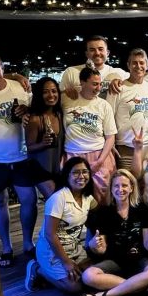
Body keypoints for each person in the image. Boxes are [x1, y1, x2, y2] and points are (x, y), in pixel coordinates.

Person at [0, 54, 53, 268]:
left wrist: (27, 110)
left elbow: (38, 109)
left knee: (29, 199)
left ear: (2, 67)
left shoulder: (20, 88)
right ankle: (6, 247)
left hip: (22, 156)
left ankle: (28, 243)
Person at [77, 169, 148, 296]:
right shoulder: (103, 213)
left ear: (131, 188)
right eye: (116, 186)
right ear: (111, 189)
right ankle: (140, 289)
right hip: (115, 261)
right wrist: (93, 245)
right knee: (88, 276)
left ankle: (104, 295)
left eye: (124, 185)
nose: (120, 189)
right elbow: (102, 250)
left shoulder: (142, 210)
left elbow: (147, 246)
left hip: (139, 259)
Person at [25, 157, 96, 293]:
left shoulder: (87, 197)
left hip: (74, 247)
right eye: (76, 172)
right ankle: (37, 269)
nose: (81, 176)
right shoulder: (58, 198)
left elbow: (100, 214)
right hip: (52, 250)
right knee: (75, 287)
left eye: (85, 172)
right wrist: (66, 262)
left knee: (91, 275)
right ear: (67, 175)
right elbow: (50, 234)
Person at [62, 67, 117, 204]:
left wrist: (100, 161)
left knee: (102, 197)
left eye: (100, 84)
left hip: (98, 155)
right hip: (73, 155)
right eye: (94, 84)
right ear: (82, 82)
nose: (98, 88)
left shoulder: (104, 105)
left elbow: (110, 137)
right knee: (74, 199)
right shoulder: (67, 100)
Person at [105, 48, 148, 170]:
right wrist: (109, 144)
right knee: (126, 181)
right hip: (125, 147)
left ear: (147, 65)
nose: (138, 66)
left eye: (142, 63)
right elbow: (107, 118)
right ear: (128, 65)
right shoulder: (118, 88)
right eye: (134, 63)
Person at [60, 35, 128, 99]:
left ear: (107, 53)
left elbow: (133, 86)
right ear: (87, 54)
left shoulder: (119, 73)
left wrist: (121, 82)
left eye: (100, 49)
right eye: (92, 50)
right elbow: (58, 96)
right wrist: (66, 92)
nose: (97, 53)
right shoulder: (71, 72)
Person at [26, 76, 64, 180]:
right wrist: (42, 144)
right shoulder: (35, 119)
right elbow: (28, 148)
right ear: (39, 95)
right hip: (39, 170)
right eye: (45, 92)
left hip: (57, 169)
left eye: (54, 91)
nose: (51, 95)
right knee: (53, 191)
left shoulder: (59, 115)